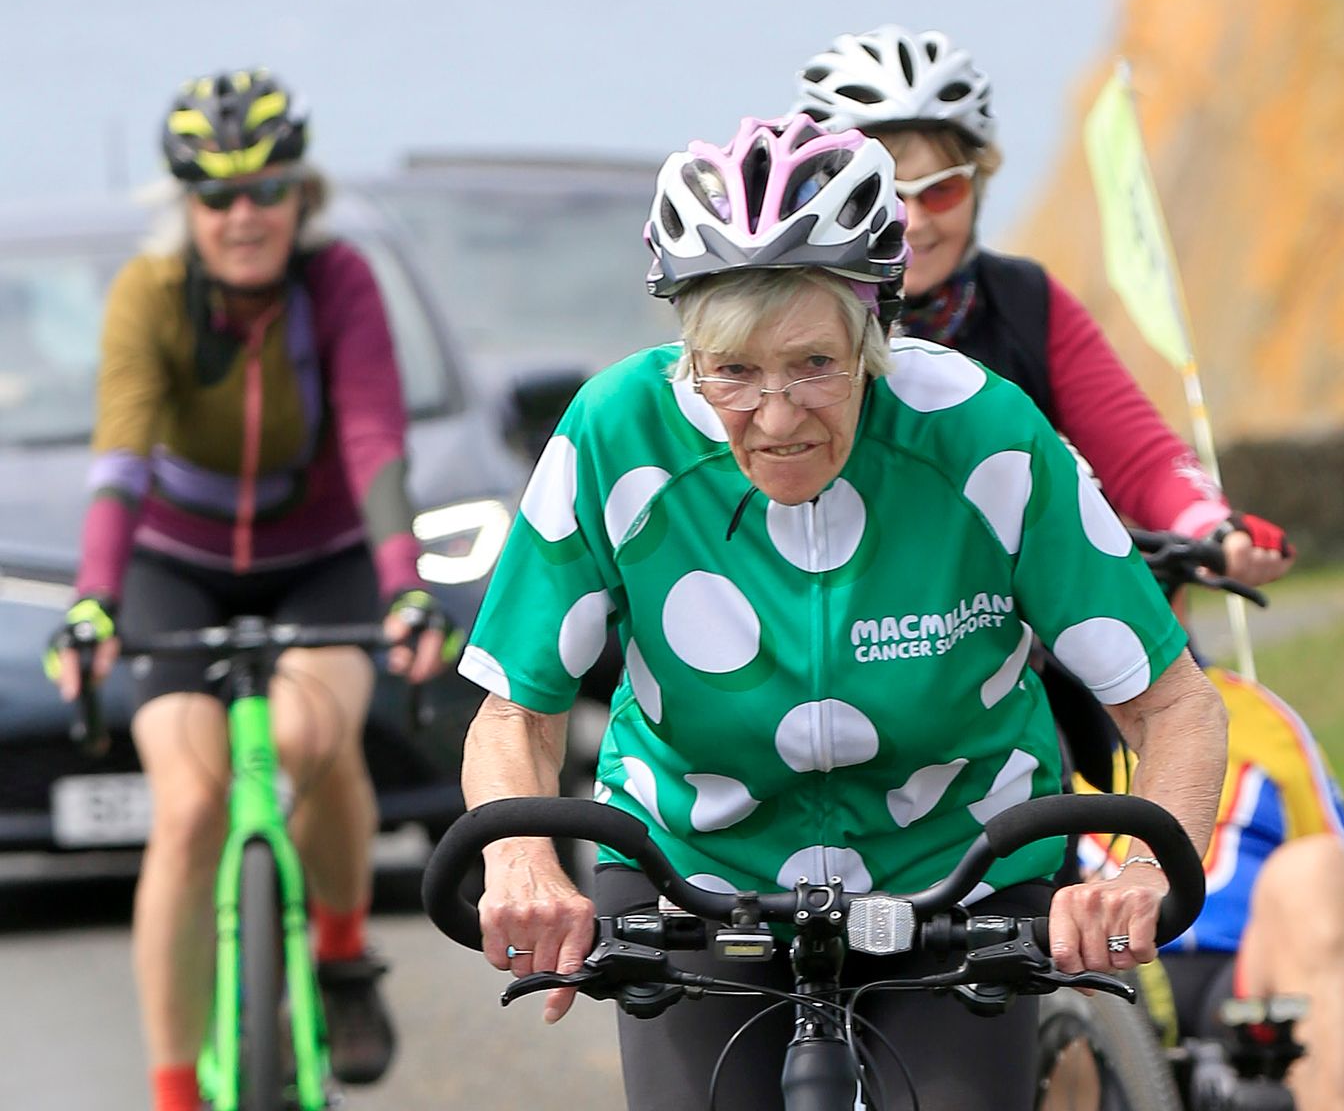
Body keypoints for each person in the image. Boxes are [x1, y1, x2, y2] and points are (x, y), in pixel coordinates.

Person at [455, 114, 1228, 1111]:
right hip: (698, 863)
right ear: (687, 352)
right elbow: (513, 711)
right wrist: (521, 863)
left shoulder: (982, 433)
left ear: (875, 331)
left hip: (960, 862)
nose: (775, 418)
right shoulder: (616, 433)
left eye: (814, 365)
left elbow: (1174, 708)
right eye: (732, 372)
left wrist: (1135, 869)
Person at [47, 68, 451, 1111]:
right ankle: (177, 1091)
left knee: (316, 743)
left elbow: (373, 437)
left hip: (319, 560)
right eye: (218, 195)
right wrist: (93, 597)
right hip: (173, 566)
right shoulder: (150, 293)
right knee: (186, 811)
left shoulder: (340, 282)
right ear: (186, 204)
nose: (243, 215)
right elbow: (122, 454)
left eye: (266, 190)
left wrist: (402, 583)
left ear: (298, 195)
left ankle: (344, 955)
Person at [790, 25, 1294, 587]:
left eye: (942, 190)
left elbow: (1143, 460)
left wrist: (1214, 526)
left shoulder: (1024, 300)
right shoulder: (794, 328)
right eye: (885, 195)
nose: (918, 221)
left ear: (979, 185)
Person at [1078, 661, 1344, 1110]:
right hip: (1094, 984)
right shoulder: (1020, 716)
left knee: (1317, 870)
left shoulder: (1260, 718)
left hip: (1248, 985)